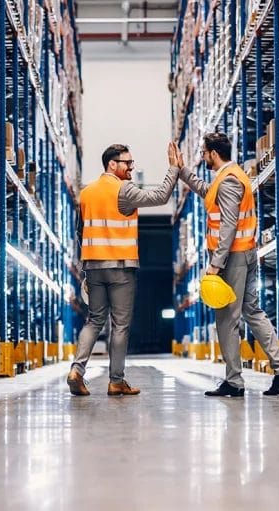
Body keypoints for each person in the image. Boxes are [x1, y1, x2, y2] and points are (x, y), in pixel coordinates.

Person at [174, 133, 279, 397]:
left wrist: (216, 264)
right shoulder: (232, 176)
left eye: (204, 153)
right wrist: (182, 171)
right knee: (252, 310)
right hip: (245, 253)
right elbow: (208, 193)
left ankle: (234, 381)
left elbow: (228, 224)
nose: (203, 157)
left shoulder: (228, 181)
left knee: (227, 319)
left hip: (233, 258)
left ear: (214, 153)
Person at [68, 142, 181, 396]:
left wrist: (87, 265)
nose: (132, 167)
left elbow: (80, 232)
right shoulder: (124, 189)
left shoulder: (86, 193)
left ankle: (77, 370)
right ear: (112, 164)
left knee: (94, 320)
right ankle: (116, 380)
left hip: (93, 267)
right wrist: (173, 169)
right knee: (120, 325)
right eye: (127, 163)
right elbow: (160, 196)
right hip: (120, 267)